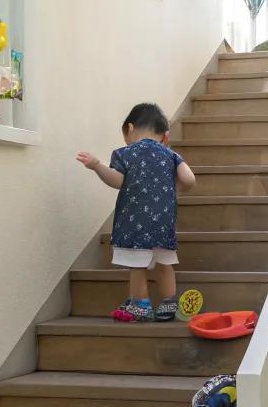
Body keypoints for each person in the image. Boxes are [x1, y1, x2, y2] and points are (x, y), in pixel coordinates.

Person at [77, 101, 196, 323]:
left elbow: (117, 181)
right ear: (165, 136)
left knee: (137, 265)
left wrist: (97, 166)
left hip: (134, 222)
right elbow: (189, 179)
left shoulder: (125, 154)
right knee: (165, 262)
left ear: (130, 129)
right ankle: (169, 302)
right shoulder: (171, 155)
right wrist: (173, 190)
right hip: (163, 223)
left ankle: (141, 305)